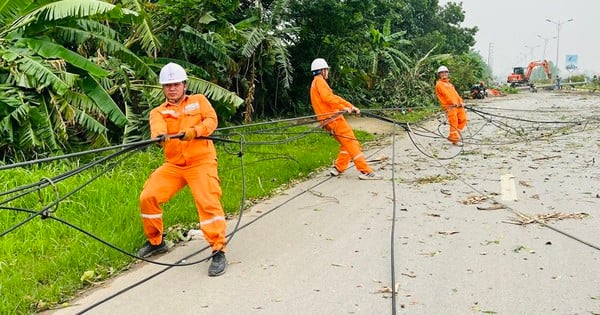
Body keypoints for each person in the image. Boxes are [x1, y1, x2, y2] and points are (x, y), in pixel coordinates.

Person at [137, 62, 228, 277]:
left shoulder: (199, 102)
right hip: (174, 165)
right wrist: (159, 137)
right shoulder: (158, 112)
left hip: (201, 161)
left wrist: (194, 131)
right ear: (163, 89)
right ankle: (156, 241)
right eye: (167, 85)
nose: (172, 88)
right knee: (148, 196)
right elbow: (157, 128)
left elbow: (211, 120)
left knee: (208, 202)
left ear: (184, 85)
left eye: (176, 84)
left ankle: (218, 249)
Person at [309, 58, 383, 180]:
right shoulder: (320, 82)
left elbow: (333, 97)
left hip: (327, 121)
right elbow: (328, 99)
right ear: (322, 71)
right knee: (352, 142)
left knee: (345, 144)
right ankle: (365, 171)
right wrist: (343, 107)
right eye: (327, 70)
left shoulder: (316, 83)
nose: (328, 72)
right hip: (334, 119)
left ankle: (339, 167)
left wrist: (350, 106)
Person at [435, 65, 467, 145]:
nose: (444, 74)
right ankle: (454, 139)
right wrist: (453, 103)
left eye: (445, 72)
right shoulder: (439, 84)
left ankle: (454, 135)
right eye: (442, 73)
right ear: (439, 74)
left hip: (457, 106)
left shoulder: (450, 84)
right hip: (450, 107)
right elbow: (446, 96)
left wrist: (461, 102)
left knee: (463, 119)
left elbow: (456, 94)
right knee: (454, 121)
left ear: (448, 73)